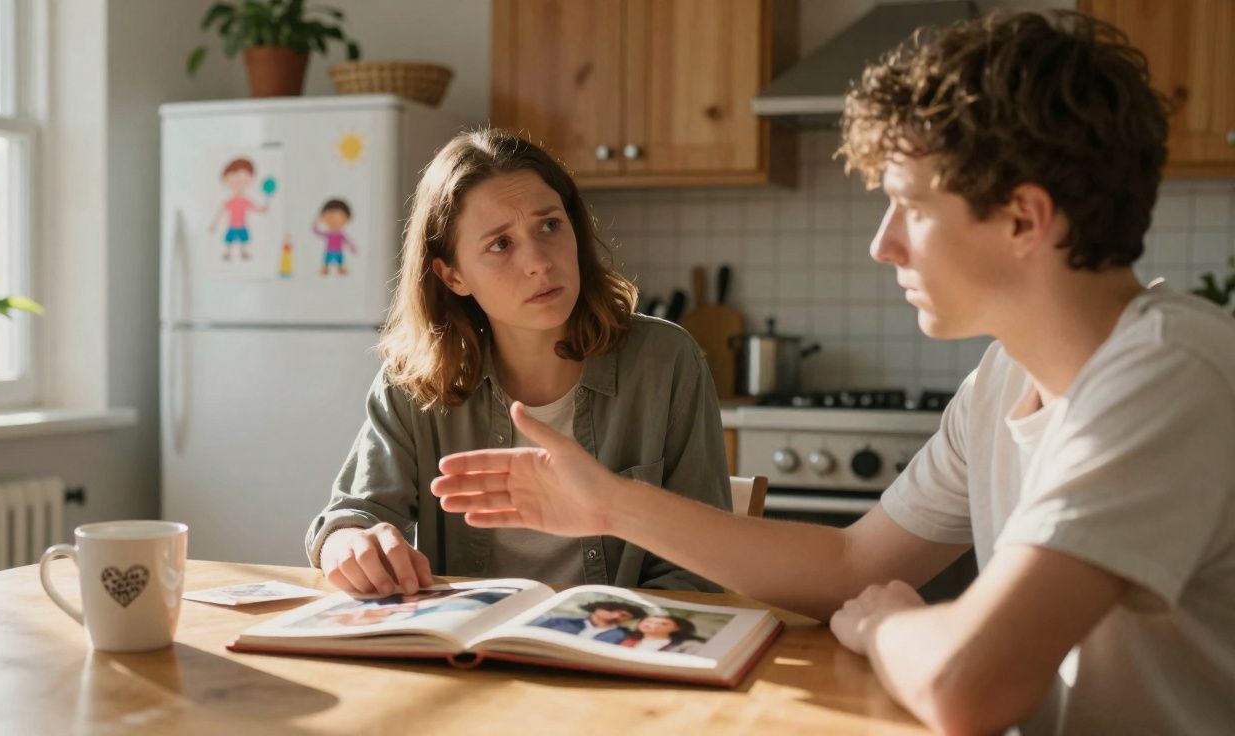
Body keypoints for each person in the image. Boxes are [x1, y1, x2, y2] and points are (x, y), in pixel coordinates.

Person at [430, 11, 1235, 735]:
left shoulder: (1166, 372)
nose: (883, 244)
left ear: (1024, 218)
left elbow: (966, 684)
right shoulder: (1002, 379)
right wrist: (606, 503)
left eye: (911, 206)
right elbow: (854, 567)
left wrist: (887, 625)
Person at [305, 129, 732, 597]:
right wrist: (347, 545)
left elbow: (701, 568)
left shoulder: (666, 362)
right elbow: (351, 516)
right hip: (468, 660)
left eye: (549, 225)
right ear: (453, 275)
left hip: (623, 652)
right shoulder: (414, 380)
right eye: (501, 245)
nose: (538, 263)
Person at [208, 158, 269, 261]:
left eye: (245, 180)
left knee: (244, 240)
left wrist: (263, 209)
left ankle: (243, 253)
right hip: (232, 225)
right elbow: (221, 213)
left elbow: (255, 208)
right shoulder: (229, 201)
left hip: (242, 225)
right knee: (229, 240)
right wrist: (214, 224)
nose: (240, 184)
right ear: (226, 180)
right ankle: (227, 253)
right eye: (235, 179)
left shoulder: (246, 201)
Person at [530, 601, 647, 644]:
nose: (616, 616)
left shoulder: (626, 636)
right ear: (596, 608)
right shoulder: (559, 621)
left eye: (623, 615)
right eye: (610, 610)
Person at [617, 614, 704, 655]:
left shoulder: (687, 646)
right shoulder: (627, 641)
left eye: (663, 623)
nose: (652, 625)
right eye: (648, 621)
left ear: (676, 628)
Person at [314, 198, 357, 276]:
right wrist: (315, 225)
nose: (334, 221)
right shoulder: (328, 233)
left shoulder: (341, 234)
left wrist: (352, 247)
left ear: (346, 219)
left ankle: (341, 269)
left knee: (340, 261)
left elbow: (347, 241)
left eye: (339, 217)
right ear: (324, 218)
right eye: (330, 217)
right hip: (329, 251)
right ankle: (325, 269)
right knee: (327, 261)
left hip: (338, 251)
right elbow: (318, 232)